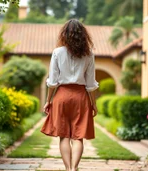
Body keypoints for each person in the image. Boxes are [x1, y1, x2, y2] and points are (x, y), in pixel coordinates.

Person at [41, 19, 98, 171]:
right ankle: (74, 168)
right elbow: (91, 83)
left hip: (62, 96)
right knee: (78, 137)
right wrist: (94, 104)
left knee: (64, 136)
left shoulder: (57, 52)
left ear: (64, 34)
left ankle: (68, 169)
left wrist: (48, 101)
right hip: (81, 97)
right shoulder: (89, 54)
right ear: (83, 35)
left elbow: (52, 81)